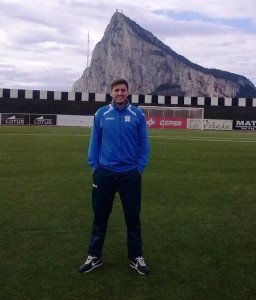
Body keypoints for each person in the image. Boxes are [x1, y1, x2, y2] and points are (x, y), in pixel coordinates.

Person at [79, 78, 150, 275]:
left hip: (130, 174)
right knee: (100, 217)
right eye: (117, 90)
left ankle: (136, 257)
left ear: (128, 92)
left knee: (133, 218)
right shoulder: (101, 114)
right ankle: (95, 256)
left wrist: (140, 167)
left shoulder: (137, 114)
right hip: (105, 174)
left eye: (123, 90)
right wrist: (95, 167)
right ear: (111, 93)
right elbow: (95, 142)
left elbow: (144, 143)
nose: (120, 93)